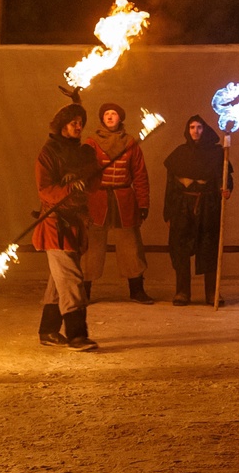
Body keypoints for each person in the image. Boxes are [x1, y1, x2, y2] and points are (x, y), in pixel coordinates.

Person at [34, 103, 99, 351]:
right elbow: (45, 190)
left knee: (58, 280)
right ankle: (76, 335)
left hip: (76, 222)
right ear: (62, 125)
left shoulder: (83, 152)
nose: (79, 126)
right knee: (71, 279)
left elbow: (93, 183)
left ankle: (48, 330)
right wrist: (71, 187)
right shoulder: (48, 153)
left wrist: (88, 175)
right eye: (74, 122)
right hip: (55, 225)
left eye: (81, 122)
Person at [81, 101, 153, 303]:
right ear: (102, 119)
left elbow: (139, 175)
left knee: (131, 246)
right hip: (97, 199)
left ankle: (136, 290)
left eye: (114, 114)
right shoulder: (91, 143)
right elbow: (83, 173)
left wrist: (143, 203)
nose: (110, 117)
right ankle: (84, 291)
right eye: (106, 114)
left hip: (124, 200)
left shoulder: (130, 143)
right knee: (92, 246)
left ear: (120, 118)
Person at [161, 114, 226, 306]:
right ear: (187, 130)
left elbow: (225, 178)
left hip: (208, 206)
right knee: (180, 249)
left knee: (209, 248)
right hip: (182, 207)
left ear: (204, 129)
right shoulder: (179, 153)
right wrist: (169, 212)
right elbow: (170, 186)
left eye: (199, 127)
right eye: (192, 127)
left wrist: (226, 188)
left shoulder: (217, 153)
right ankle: (182, 292)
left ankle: (212, 293)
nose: (195, 131)